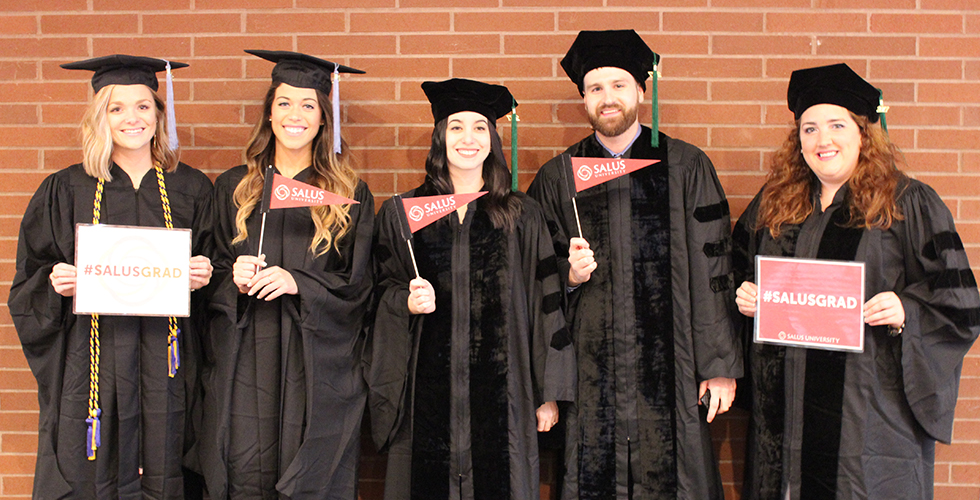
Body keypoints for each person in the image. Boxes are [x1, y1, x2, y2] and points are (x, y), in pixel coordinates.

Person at [732, 63, 980, 500]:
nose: (822, 140)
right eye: (809, 129)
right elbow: (738, 271)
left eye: (836, 125)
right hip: (783, 420)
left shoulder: (905, 203)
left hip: (868, 422)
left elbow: (959, 303)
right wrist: (747, 295)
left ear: (863, 133)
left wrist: (907, 310)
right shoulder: (774, 204)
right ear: (798, 141)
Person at [527, 30, 741, 499]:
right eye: (596, 88)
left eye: (619, 85)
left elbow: (714, 271)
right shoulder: (558, 177)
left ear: (642, 91)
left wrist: (718, 364)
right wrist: (568, 275)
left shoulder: (685, 166)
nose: (608, 98)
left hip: (674, 366)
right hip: (589, 372)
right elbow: (533, 279)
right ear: (584, 99)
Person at [9, 55, 213, 499]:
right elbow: (29, 280)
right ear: (100, 116)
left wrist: (204, 275)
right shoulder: (66, 188)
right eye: (116, 108)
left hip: (168, 363)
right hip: (91, 361)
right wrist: (55, 282)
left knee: (167, 460)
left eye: (143, 106)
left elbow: (217, 276)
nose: (131, 118)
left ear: (159, 114)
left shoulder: (192, 189)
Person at [365, 78, 576, 500]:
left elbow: (545, 301)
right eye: (456, 127)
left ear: (493, 140)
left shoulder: (521, 215)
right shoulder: (403, 213)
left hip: (507, 397)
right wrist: (404, 302)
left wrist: (547, 392)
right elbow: (377, 292)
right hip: (423, 398)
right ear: (440, 138)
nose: (468, 138)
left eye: (480, 127)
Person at [200, 50, 373, 500]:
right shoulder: (232, 186)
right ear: (269, 113)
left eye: (308, 105)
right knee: (243, 464)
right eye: (284, 103)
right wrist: (231, 277)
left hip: (313, 360)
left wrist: (301, 283)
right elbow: (207, 272)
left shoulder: (349, 192)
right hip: (246, 358)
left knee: (311, 472)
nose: (295, 114)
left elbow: (359, 284)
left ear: (323, 118)